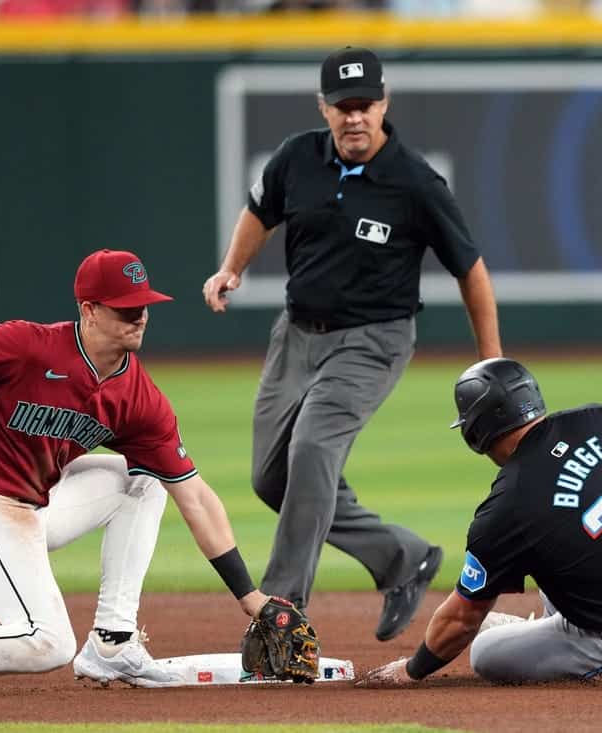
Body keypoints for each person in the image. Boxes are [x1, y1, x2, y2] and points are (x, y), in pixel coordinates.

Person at [0, 249, 310, 699]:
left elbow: (194, 496)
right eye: (126, 309)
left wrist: (250, 597)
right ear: (89, 310)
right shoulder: (29, 346)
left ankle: (113, 642)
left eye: (144, 307)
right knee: (46, 642)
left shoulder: (140, 398)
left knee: (145, 477)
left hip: (35, 508)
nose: (139, 318)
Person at [202, 46, 502, 642]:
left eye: (365, 104)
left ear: (384, 104)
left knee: (312, 448)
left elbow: (470, 270)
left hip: (374, 340)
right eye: (343, 107)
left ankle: (282, 611)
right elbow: (259, 212)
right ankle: (401, 557)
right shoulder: (297, 158)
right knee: (272, 479)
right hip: (295, 335)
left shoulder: (415, 182)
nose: (355, 117)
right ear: (324, 108)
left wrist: (491, 359)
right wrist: (231, 268)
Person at [360, 358, 602, 687]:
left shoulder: (509, 506)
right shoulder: (599, 417)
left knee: (484, 650)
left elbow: (462, 618)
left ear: (476, 433)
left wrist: (411, 670)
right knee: (559, 549)